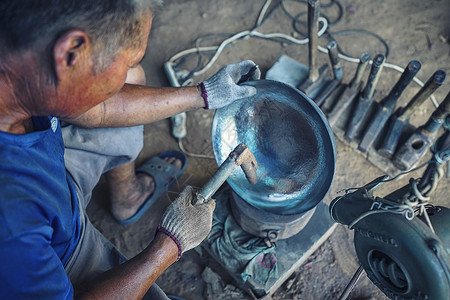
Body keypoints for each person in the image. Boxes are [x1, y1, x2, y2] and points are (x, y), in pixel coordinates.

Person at [0, 1, 261, 299]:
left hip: (52, 181)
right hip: (55, 252)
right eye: (127, 59)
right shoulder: (11, 225)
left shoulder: (20, 69)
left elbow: (100, 109)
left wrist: (204, 94)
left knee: (131, 83)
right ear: (71, 53)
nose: (127, 69)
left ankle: (127, 195)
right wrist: (169, 245)